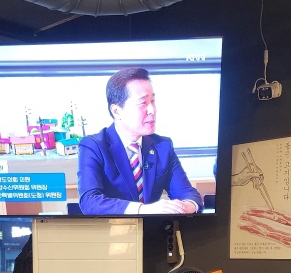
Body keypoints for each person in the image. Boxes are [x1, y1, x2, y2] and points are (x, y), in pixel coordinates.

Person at [77, 66, 203, 216]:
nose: (152, 110)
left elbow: (188, 193)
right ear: (117, 111)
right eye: (143, 103)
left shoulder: (163, 146)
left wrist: (186, 206)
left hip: (153, 229)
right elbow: (90, 202)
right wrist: (143, 210)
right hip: (112, 229)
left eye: (153, 101)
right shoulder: (93, 146)